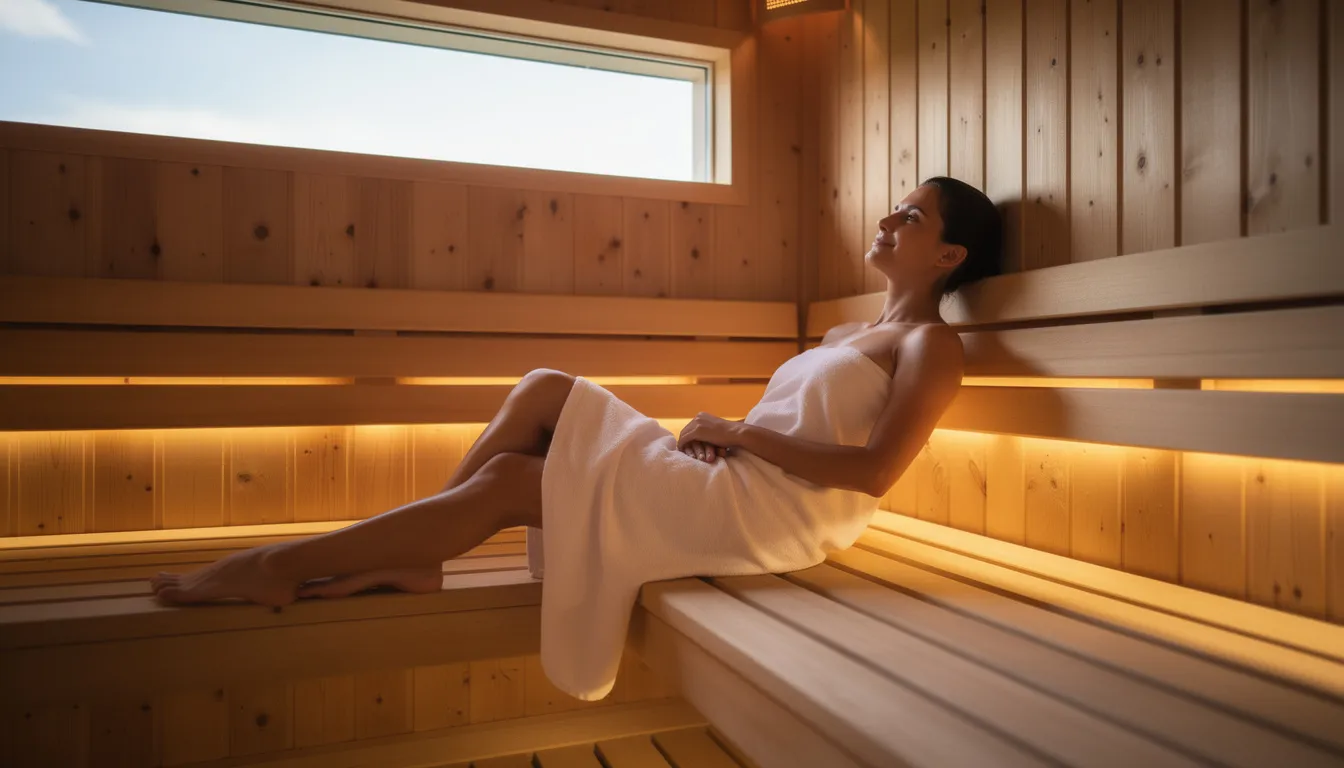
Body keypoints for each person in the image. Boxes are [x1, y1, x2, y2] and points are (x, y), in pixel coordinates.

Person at [150, 176, 1003, 700]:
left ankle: (278, 566)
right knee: (544, 388)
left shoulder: (930, 346)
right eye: (897, 206)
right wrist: (729, 440)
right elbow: (793, 426)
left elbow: (875, 472)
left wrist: (738, 432)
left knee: (512, 483)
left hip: (774, 515)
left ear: (948, 256)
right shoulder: (846, 334)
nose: (890, 217)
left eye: (913, 215)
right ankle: (418, 554)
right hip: (735, 475)